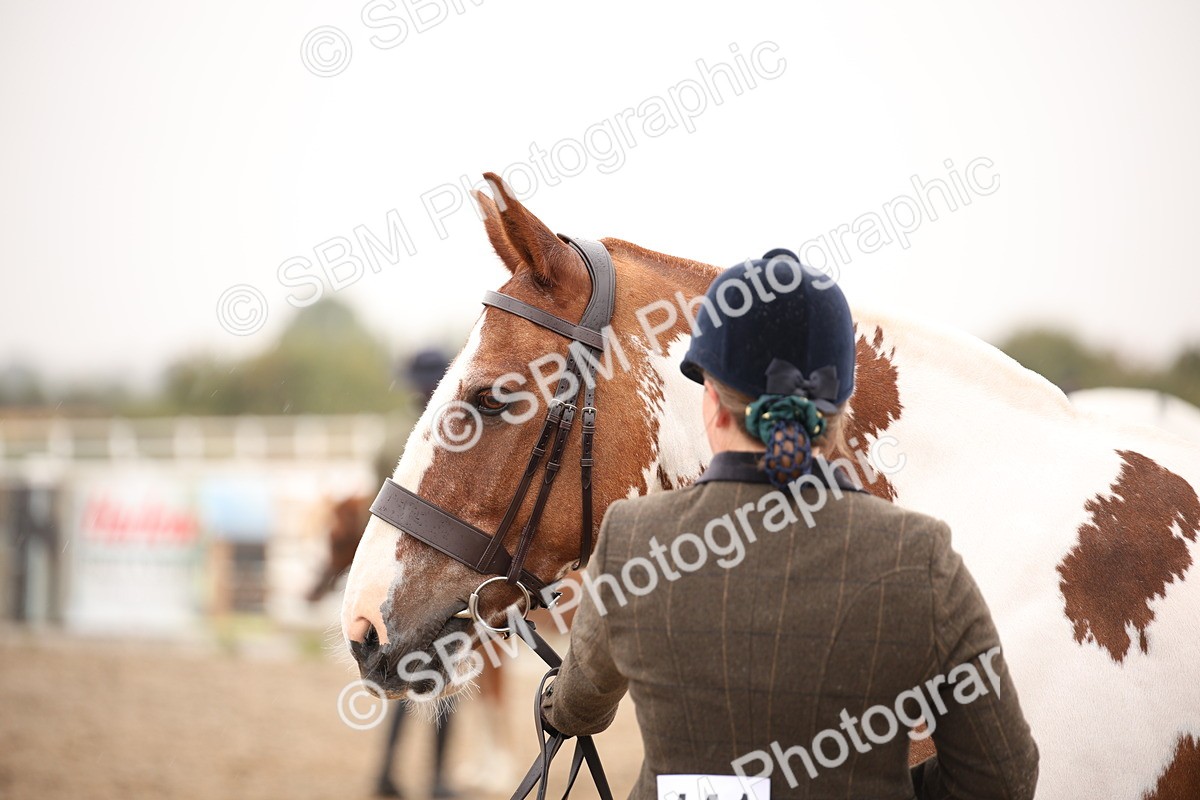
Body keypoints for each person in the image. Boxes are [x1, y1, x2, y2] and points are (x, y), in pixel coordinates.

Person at [539, 250, 1039, 799]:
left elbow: (582, 704)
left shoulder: (633, 541)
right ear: (839, 409)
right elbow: (1002, 778)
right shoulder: (920, 557)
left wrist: (556, 704)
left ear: (713, 401)